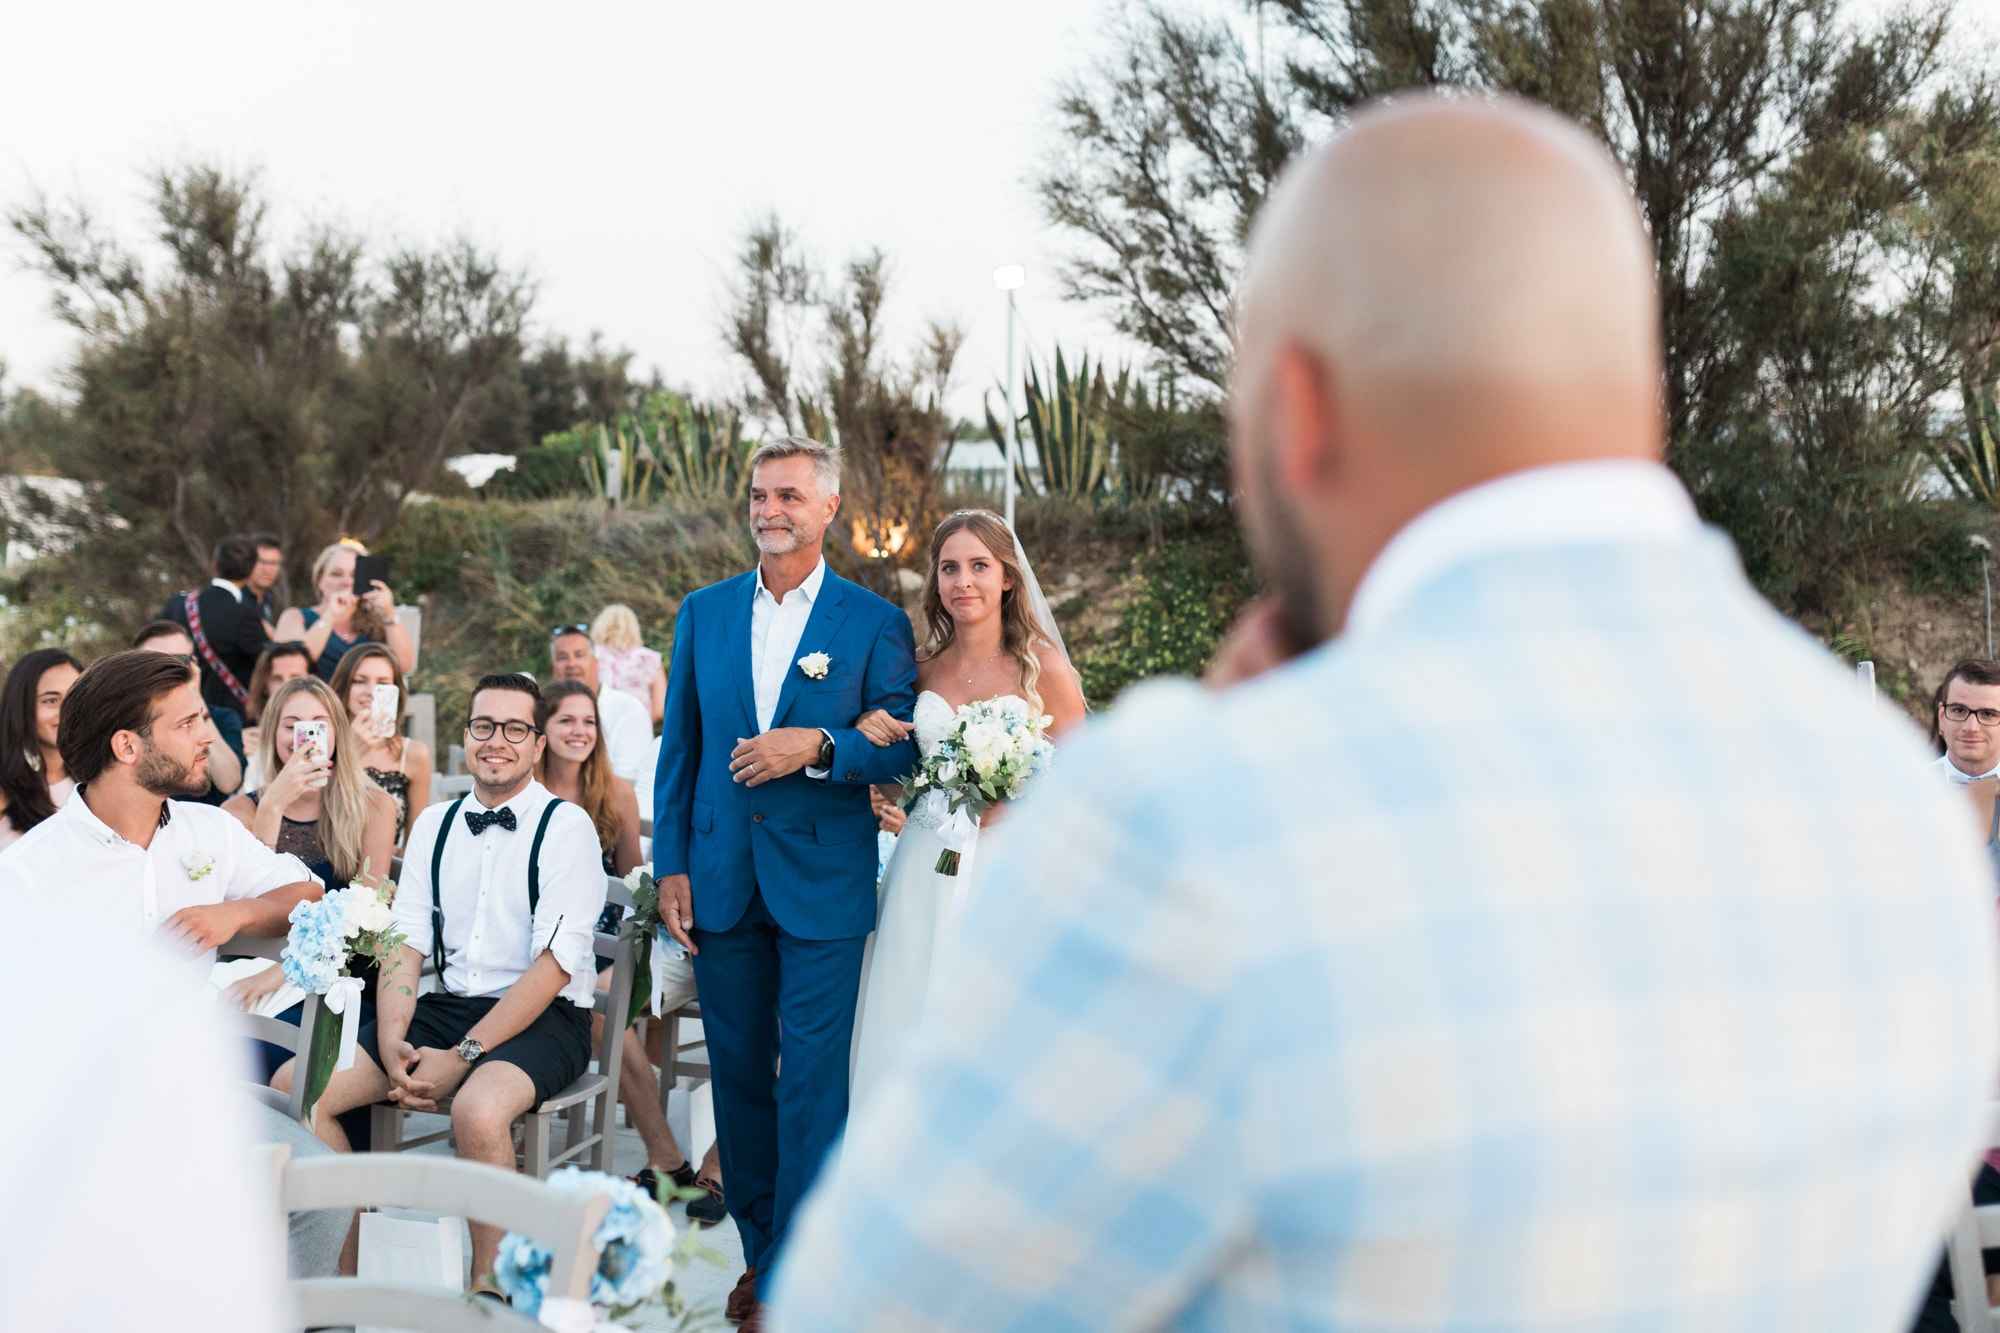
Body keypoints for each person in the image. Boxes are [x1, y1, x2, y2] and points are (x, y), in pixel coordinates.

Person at [771, 94, 2000, 1332]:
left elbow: (870, 1309)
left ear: (1296, 412)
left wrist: (1195, 775)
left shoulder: (1196, 821)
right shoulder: (1897, 806)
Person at [653, 436, 919, 1331]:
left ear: (828, 508)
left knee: (811, 1078)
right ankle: (760, 1252)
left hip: (823, 884)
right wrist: (673, 867)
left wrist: (821, 744)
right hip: (723, 877)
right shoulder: (704, 612)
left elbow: (904, 737)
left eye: (790, 496)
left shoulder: (872, 620)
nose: (771, 509)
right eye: (761, 495)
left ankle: (801, 1263)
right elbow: (679, 749)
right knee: (737, 1076)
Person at [275, 673, 607, 1293]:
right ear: (466, 737)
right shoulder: (434, 823)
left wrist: (463, 1057)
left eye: (515, 729)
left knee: (478, 1114)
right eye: (484, 726)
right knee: (300, 1086)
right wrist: (396, 1037)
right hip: (447, 1005)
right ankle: (351, 1271)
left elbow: (555, 966)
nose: (497, 741)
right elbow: (404, 942)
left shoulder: (567, 827)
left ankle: (492, 1285)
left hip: (545, 1015)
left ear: (537, 745)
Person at [846, 509, 1086, 1114]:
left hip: (1010, 874)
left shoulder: (1043, 668)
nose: (963, 581)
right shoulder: (920, 666)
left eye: (979, 566)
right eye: (949, 568)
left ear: (1007, 577)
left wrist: (1013, 809)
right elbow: (903, 775)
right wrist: (871, 730)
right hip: (923, 869)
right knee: (908, 1010)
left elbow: (1084, 786)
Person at [0, 888, 289, 1331]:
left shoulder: (211, 831)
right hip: (78, 1121)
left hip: (159, 1082)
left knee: (310, 1199)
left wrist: (235, 913)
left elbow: (312, 896)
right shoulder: (33, 874)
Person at [536, 678, 728, 1226]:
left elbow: (630, 878)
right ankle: (667, 1158)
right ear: (543, 730)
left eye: (587, 721)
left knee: (605, 1002)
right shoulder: (526, 790)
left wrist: (628, 943)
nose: (578, 731)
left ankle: (679, 1161)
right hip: (542, 939)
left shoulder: (613, 792)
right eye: (566, 720)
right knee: (595, 1004)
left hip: (606, 938)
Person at [0, 650, 323, 962]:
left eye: (202, 719)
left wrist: (236, 913)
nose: (206, 737)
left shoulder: (211, 828)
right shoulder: (27, 871)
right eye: (187, 724)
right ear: (127, 746)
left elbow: (306, 892)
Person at [221, 675, 398, 1030]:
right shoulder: (237, 812)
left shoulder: (374, 806)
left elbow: (368, 909)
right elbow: (249, 906)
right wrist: (272, 807)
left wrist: (277, 975)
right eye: (292, 726)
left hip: (335, 979)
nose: (306, 735)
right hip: (249, 968)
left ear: (336, 735)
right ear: (273, 733)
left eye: (319, 725)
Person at [160, 534, 270, 766]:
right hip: (232, 721)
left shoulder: (179, 604)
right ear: (251, 571)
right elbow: (265, 665)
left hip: (176, 714)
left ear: (215, 565)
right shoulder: (245, 614)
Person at [330, 642, 434, 853]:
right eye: (359, 681)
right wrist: (349, 753)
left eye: (382, 683)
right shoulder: (323, 744)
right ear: (344, 687)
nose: (371, 692)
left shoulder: (413, 754)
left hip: (385, 876)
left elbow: (415, 844)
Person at [132, 620, 247, 800]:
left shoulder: (221, 718)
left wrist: (195, 700)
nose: (167, 672)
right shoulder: (123, 721)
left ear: (194, 665)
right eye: (155, 663)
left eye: (178, 660)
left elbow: (229, 782)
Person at [274, 540, 416, 681]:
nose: (347, 582)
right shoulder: (295, 617)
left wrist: (389, 614)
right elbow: (292, 667)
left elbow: (404, 667)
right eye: (336, 574)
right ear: (320, 581)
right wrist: (330, 616)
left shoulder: (376, 624)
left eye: (354, 575)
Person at [0, 649, 82, 854]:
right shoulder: (5, 787)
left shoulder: (99, 779)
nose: (67, 712)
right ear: (22, 707)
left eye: (75, 697)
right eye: (51, 700)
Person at [551, 622, 653, 785]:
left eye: (579, 655)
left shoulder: (628, 709)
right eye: (562, 657)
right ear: (553, 667)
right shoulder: (542, 710)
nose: (571, 664)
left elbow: (629, 782)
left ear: (596, 662)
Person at [241, 639, 315, 788]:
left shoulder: (327, 729)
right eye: (277, 678)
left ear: (310, 680)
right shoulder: (245, 730)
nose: (287, 685)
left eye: (295, 677)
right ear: (265, 685)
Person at [592, 603, 667, 726]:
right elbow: (659, 709)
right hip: (638, 728)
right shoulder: (650, 658)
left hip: (598, 728)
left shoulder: (591, 656)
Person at [1935, 659, 2000, 783]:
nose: (1971, 728)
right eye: (1959, 711)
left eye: (1987, 714)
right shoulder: (1906, 789)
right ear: (1942, 718)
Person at [246, 531, 285, 625]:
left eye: (273, 563)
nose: (267, 570)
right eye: (261, 562)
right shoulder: (232, 599)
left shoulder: (274, 601)